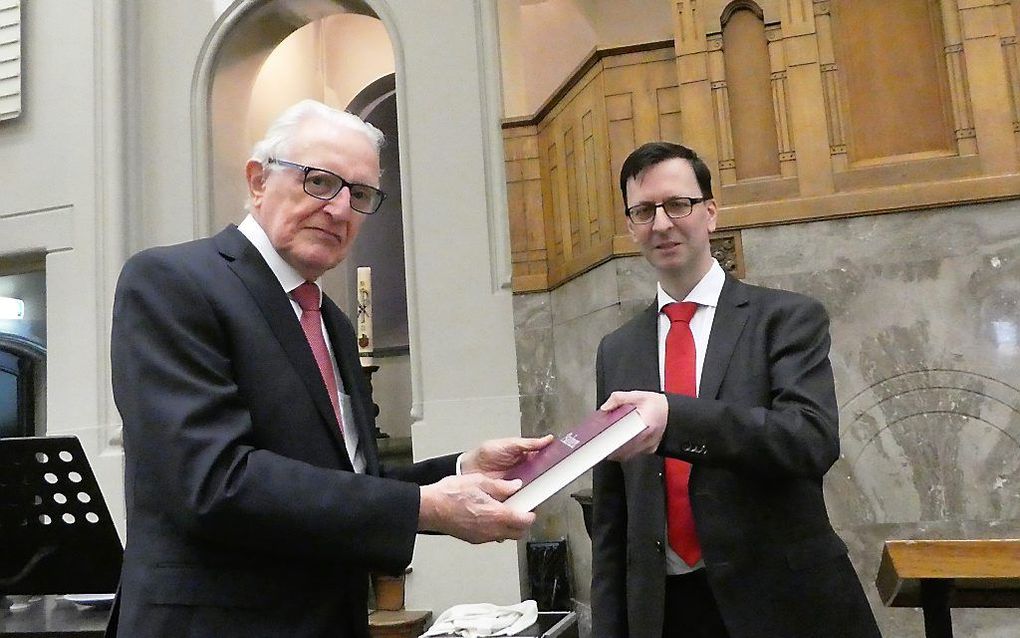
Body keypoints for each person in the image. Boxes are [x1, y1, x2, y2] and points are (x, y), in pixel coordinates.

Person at [108, 99, 550, 638]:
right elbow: (214, 481)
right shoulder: (174, 281)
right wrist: (424, 508)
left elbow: (346, 482)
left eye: (359, 194)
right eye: (319, 181)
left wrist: (459, 471)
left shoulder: (330, 320)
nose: (340, 209)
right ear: (257, 181)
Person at [591, 142, 881, 638]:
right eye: (643, 211)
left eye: (677, 205)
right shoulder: (616, 350)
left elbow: (809, 440)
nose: (661, 224)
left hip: (781, 603)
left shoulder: (786, 318)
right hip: (665, 612)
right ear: (630, 226)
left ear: (710, 212)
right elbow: (611, 511)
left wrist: (673, 420)